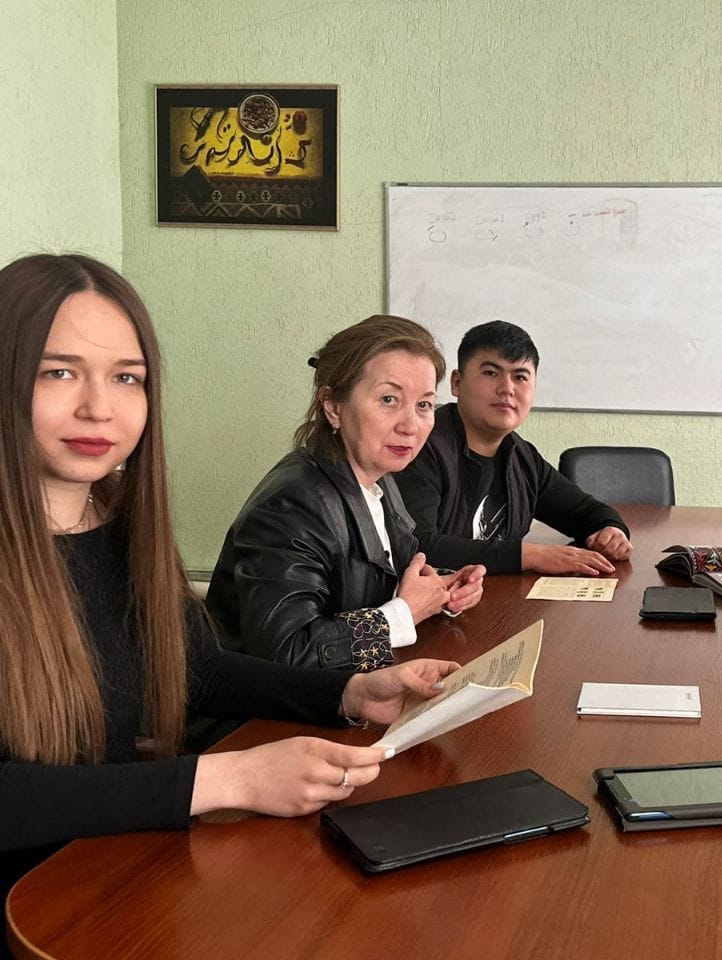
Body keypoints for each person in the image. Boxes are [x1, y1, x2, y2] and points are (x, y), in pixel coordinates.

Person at [0, 253, 460, 905]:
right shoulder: (297, 496)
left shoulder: (122, 517)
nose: (99, 407)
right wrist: (226, 780)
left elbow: (196, 667)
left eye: (127, 377)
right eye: (59, 372)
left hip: (113, 867)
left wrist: (352, 692)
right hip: (36, 902)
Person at [206, 316, 485, 671]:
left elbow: (382, 575)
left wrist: (440, 587)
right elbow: (287, 653)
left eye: (424, 405)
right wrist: (403, 614)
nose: (410, 425)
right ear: (333, 406)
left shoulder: (378, 478)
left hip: (353, 688)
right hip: (263, 706)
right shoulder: (290, 505)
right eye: (388, 399)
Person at [398, 320, 633, 576]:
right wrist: (529, 555)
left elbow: (585, 512)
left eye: (520, 377)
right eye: (491, 373)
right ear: (457, 383)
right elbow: (417, 546)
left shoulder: (521, 456)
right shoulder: (421, 447)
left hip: (495, 595)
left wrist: (611, 530)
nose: (507, 389)